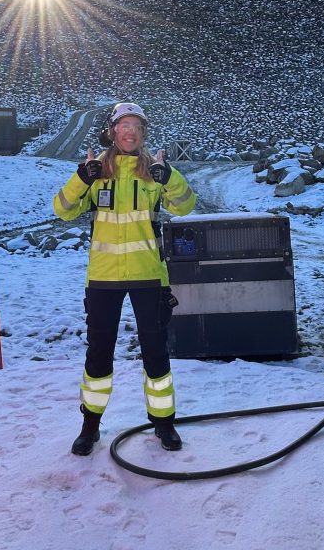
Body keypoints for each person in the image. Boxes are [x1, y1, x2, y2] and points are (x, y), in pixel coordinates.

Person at [52, 102, 197, 455]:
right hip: (103, 278)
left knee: (156, 352)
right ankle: (90, 426)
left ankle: (163, 422)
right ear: (112, 131)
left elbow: (185, 205)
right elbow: (62, 210)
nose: (130, 132)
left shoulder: (155, 172)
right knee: (98, 354)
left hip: (149, 276)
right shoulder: (96, 170)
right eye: (124, 126)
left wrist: (170, 177)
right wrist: (81, 178)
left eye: (136, 127)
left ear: (142, 134)